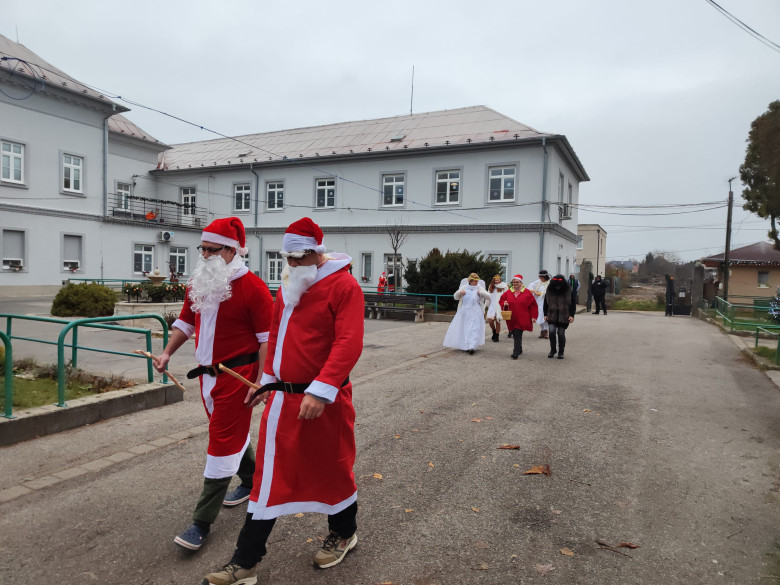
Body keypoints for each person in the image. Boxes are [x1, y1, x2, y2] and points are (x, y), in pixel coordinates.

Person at [202, 217, 364, 584]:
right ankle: (245, 562)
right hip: (283, 397)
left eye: (297, 259)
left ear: (316, 254)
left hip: (325, 399)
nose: (290, 266)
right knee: (267, 475)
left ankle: (344, 532)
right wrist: (266, 380)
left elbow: (348, 342)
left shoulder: (345, 285)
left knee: (332, 467)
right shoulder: (289, 282)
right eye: (286, 259)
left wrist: (322, 389)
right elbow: (276, 332)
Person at [153, 217, 274, 551]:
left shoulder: (253, 287)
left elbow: (268, 340)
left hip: (239, 377)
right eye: (202, 248)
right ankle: (251, 479)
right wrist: (165, 353)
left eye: (211, 249)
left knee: (221, 441)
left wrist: (262, 382)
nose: (204, 255)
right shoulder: (199, 281)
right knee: (230, 433)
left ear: (232, 250)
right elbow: (186, 321)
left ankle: (201, 523)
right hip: (207, 378)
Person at [443, 273, 491, 355]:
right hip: (464, 312)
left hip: (476, 311)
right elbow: (455, 297)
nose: (476, 282)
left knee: (474, 328)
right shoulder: (464, 287)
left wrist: (481, 293)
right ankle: (465, 345)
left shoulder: (479, 287)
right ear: (470, 281)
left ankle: (472, 346)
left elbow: (488, 297)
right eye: (475, 281)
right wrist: (460, 293)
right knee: (465, 328)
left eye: (477, 281)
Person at [499, 275, 538, 359]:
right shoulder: (508, 292)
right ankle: (519, 348)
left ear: (521, 283)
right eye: (514, 282)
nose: (515, 283)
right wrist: (504, 303)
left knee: (517, 333)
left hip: (523, 317)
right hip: (512, 317)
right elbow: (501, 300)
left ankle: (515, 352)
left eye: (517, 282)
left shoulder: (527, 292)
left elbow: (533, 305)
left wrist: (534, 316)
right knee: (515, 333)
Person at [544, 274, 576, 359]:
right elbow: (545, 303)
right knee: (551, 331)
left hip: (564, 315)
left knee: (561, 333)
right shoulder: (549, 289)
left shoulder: (569, 290)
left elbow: (573, 304)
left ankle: (561, 351)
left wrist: (572, 315)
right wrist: (545, 314)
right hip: (552, 314)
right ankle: (553, 350)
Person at [528, 270, 551, 338]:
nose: (540, 278)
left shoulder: (549, 283)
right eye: (540, 277)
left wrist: (541, 293)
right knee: (540, 316)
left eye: (541, 277)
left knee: (545, 316)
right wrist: (533, 291)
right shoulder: (539, 282)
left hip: (546, 301)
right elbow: (530, 285)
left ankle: (546, 331)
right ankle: (542, 331)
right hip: (539, 301)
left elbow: (551, 292)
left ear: (545, 277)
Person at [486, 274, 508, 342]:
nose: (497, 281)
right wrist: (486, 304)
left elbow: (507, 295)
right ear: (493, 280)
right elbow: (488, 295)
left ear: (500, 280)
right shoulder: (491, 286)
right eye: (495, 280)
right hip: (492, 305)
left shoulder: (504, 286)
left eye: (498, 280)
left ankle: (497, 336)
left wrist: (505, 303)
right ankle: (494, 331)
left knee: (498, 321)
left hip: (499, 305)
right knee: (490, 321)